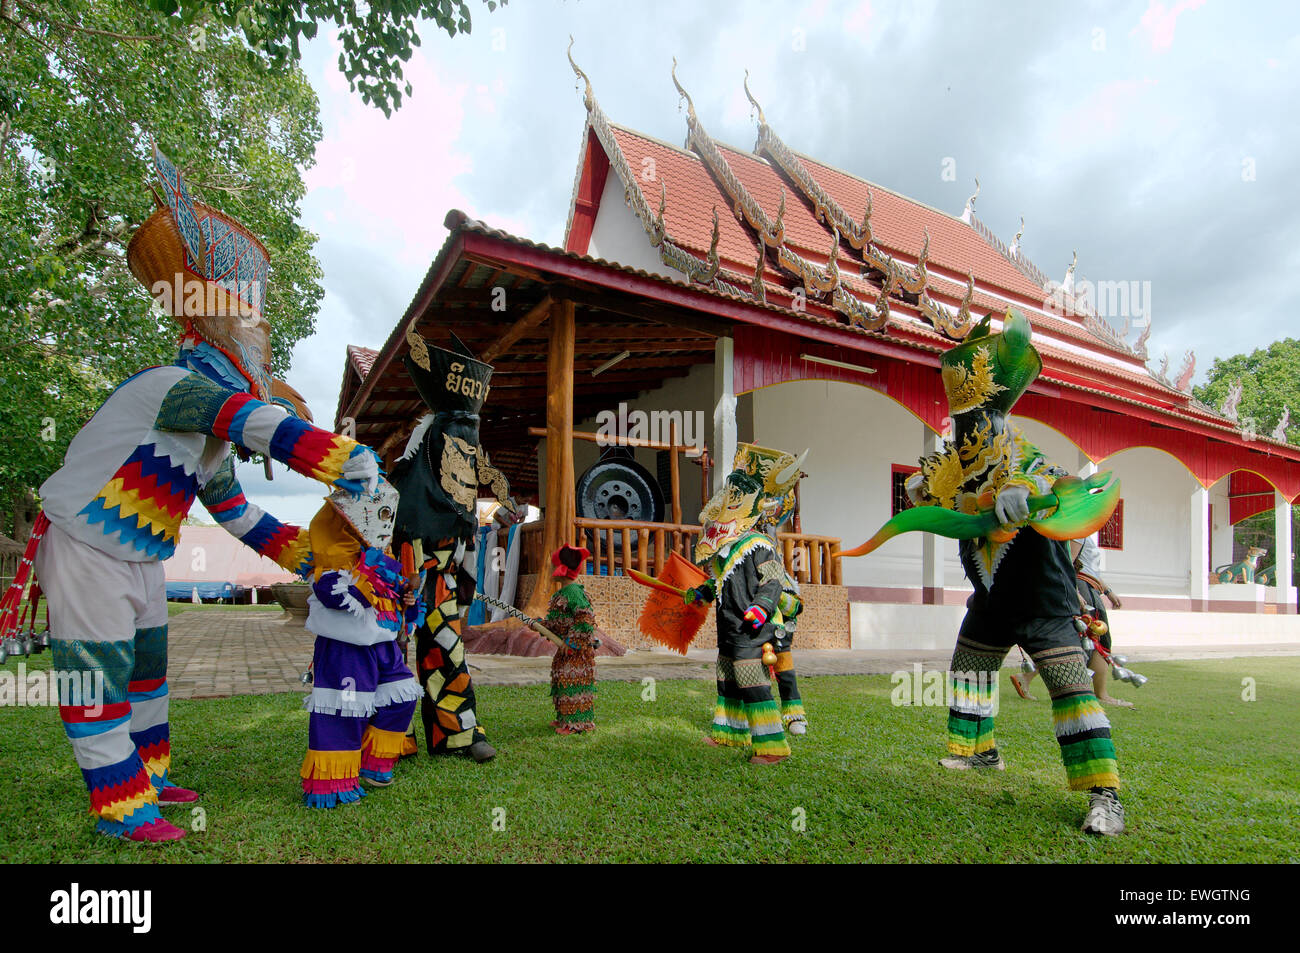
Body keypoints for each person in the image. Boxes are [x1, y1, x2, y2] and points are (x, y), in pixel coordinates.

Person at [31, 145, 380, 842]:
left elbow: (239, 514)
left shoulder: (208, 432)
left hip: (135, 557)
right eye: (256, 326)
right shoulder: (176, 389)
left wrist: (313, 559)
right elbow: (252, 421)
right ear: (218, 327)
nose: (265, 341)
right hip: (86, 545)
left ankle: (149, 774)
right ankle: (119, 801)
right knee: (98, 676)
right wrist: (337, 456)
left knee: (148, 672)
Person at [904, 310, 1125, 836]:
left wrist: (1021, 489)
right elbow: (936, 493)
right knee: (969, 668)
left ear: (996, 415)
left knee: (1071, 691)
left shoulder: (1022, 452)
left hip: (1044, 601)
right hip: (990, 599)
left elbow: (1051, 479)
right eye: (961, 421)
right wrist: (922, 491)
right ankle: (979, 752)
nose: (968, 429)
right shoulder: (958, 461)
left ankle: (1105, 795)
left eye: (975, 418)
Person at [390, 330, 514, 763]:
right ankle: (391, 736)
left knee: (446, 644)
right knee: (392, 646)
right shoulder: (416, 466)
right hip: (405, 569)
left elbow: (485, 477)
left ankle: (456, 734)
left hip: (442, 576)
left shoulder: (467, 452)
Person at [300, 480, 423, 807]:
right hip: (345, 651)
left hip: (383, 649)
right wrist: (369, 580)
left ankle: (372, 764)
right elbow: (334, 598)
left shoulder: (380, 564)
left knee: (401, 699)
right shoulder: (328, 563)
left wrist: (406, 597)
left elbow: (398, 604)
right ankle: (333, 783)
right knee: (345, 711)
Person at [688, 443, 807, 764]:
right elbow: (720, 582)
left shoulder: (760, 546)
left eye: (736, 495)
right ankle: (729, 733)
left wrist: (761, 609)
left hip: (753, 627)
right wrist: (702, 593)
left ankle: (771, 746)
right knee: (726, 680)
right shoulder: (726, 549)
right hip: (728, 627)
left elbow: (771, 584)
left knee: (751, 681)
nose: (728, 500)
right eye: (730, 493)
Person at [1010, 536, 1133, 708]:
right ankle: (1102, 694)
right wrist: (1075, 592)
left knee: (1078, 641)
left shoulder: (1083, 533)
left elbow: (1088, 568)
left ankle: (1026, 676)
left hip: (1090, 588)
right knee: (1099, 639)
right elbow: (1067, 564)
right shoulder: (1079, 533)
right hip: (1085, 589)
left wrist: (1108, 591)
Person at [544, 544, 600, 734]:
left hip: (576, 653)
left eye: (553, 565)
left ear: (561, 569)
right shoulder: (562, 594)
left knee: (574, 683)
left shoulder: (574, 593)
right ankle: (564, 720)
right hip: (564, 651)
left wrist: (573, 642)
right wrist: (542, 625)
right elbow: (558, 622)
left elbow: (585, 619)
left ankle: (578, 724)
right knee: (562, 682)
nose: (551, 569)